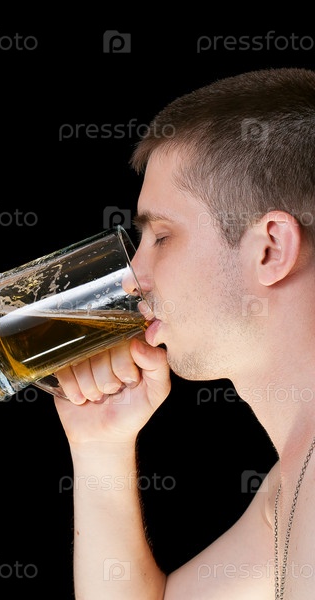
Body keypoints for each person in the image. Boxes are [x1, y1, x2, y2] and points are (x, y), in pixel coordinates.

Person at [49, 68, 315, 599]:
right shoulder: (290, 487)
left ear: (270, 249)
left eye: (161, 236)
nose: (132, 279)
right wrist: (100, 447)